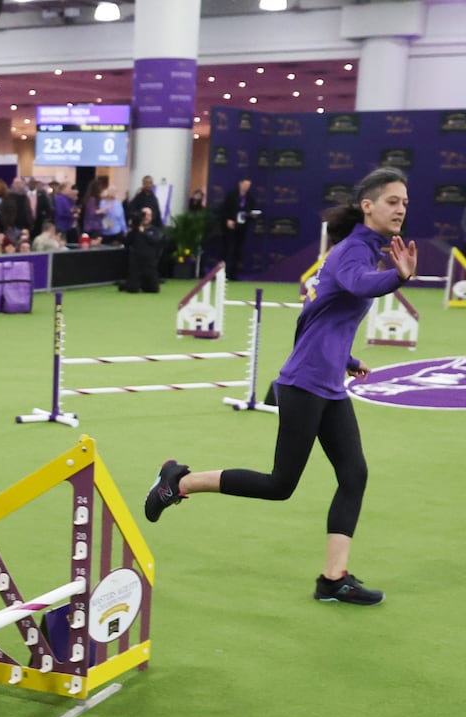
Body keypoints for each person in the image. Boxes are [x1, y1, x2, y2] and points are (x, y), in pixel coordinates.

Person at [144, 168, 418, 607]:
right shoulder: (354, 253)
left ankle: (334, 578)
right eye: (392, 201)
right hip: (305, 385)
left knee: (354, 475)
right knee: (280, 485)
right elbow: (356, 285)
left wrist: (346, 360)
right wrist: (397, 278)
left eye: (405, 201)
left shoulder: (366, 251)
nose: (401, 208)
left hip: (326, 383)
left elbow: (315, 318)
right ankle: (179, 481)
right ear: (368, 205)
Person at [220, 177, 258, 278]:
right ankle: (224, 273)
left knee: (238, 250)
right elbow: (224, 209)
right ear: (240, 184)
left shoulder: (250, 198)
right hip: (230, 227)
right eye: (245, 185)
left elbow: (252, 210)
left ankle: (234, 274)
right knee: (229, 249)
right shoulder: (231, 195)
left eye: (248, 186)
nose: (247, 187)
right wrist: (228, 219)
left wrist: (252, 215)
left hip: (242, 227)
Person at [120, 207, 164, 294]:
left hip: (149, 264)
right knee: (132, 289)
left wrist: (143, 232)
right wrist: (132, 229)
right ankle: (126, 284)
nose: (146, 217)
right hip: (136, 264)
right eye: (144, 214)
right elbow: (127, 242)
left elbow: (156, 241)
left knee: (153, 290)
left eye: (149, 215)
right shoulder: (135, 230)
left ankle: (144, 283)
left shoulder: (155, 230)